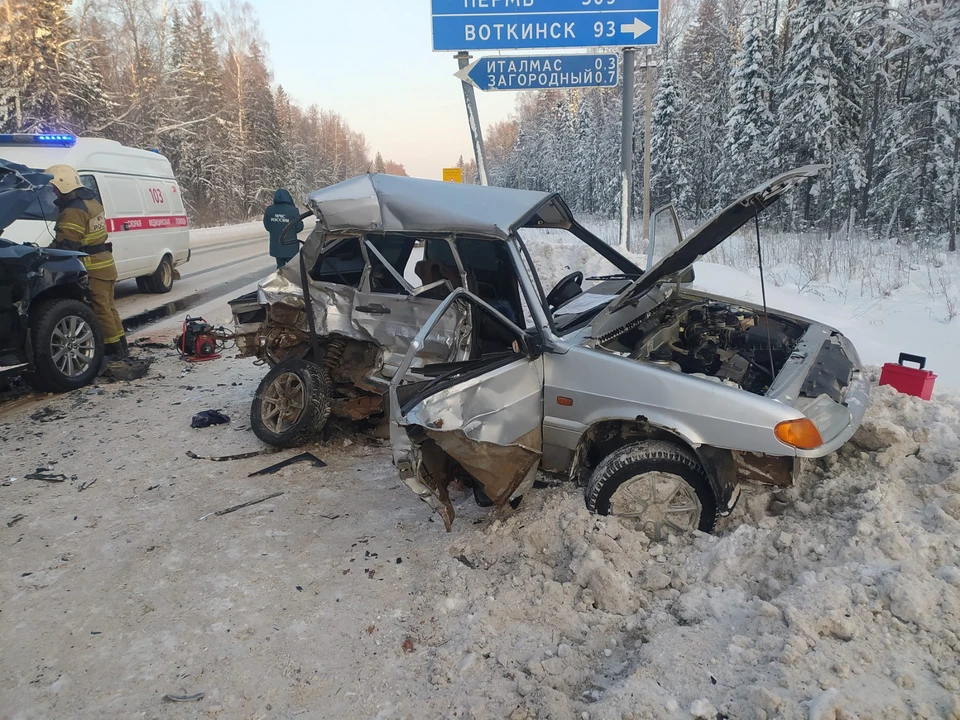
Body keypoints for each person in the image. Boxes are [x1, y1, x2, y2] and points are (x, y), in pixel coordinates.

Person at [45, 164, 127, 359]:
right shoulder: (91, 202)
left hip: (93, 266)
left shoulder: (73, 210)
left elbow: (68, 245)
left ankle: (112, 352)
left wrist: (46, 254)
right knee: (109, 307)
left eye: (54, 188)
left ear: (63, 186)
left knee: (100, 310)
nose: (53, 193)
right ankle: (121, 347)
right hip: (105, 263)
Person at [263, 189, 304, 269]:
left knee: (280, 268)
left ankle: (282, 280)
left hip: (276, 246)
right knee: (292, 268)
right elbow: (299, 227)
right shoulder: (293, 210)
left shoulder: (269, 210)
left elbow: (267, 226)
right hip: (290, 246)